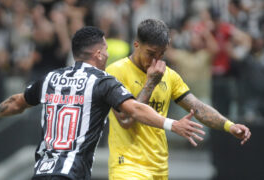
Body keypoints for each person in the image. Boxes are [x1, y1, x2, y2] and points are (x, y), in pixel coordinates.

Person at [0, 26, 205, 180]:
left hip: (41, 172)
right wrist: (172, 125)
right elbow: (133, 109)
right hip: (71, 173)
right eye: (105, 50)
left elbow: (16, 102)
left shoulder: (50, 78)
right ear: (99, 54)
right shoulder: (103, 82)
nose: (106, 54)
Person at [106, 19, 251, 180]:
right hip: (127, 166)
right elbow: (126, 120)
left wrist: (229, 126)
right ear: (136, 45)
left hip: (159, 168)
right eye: (151, 53)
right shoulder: (115, 72)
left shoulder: (169, 75)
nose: (156, 60)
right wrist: (151, 83)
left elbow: (197, 107)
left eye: (162, 54)